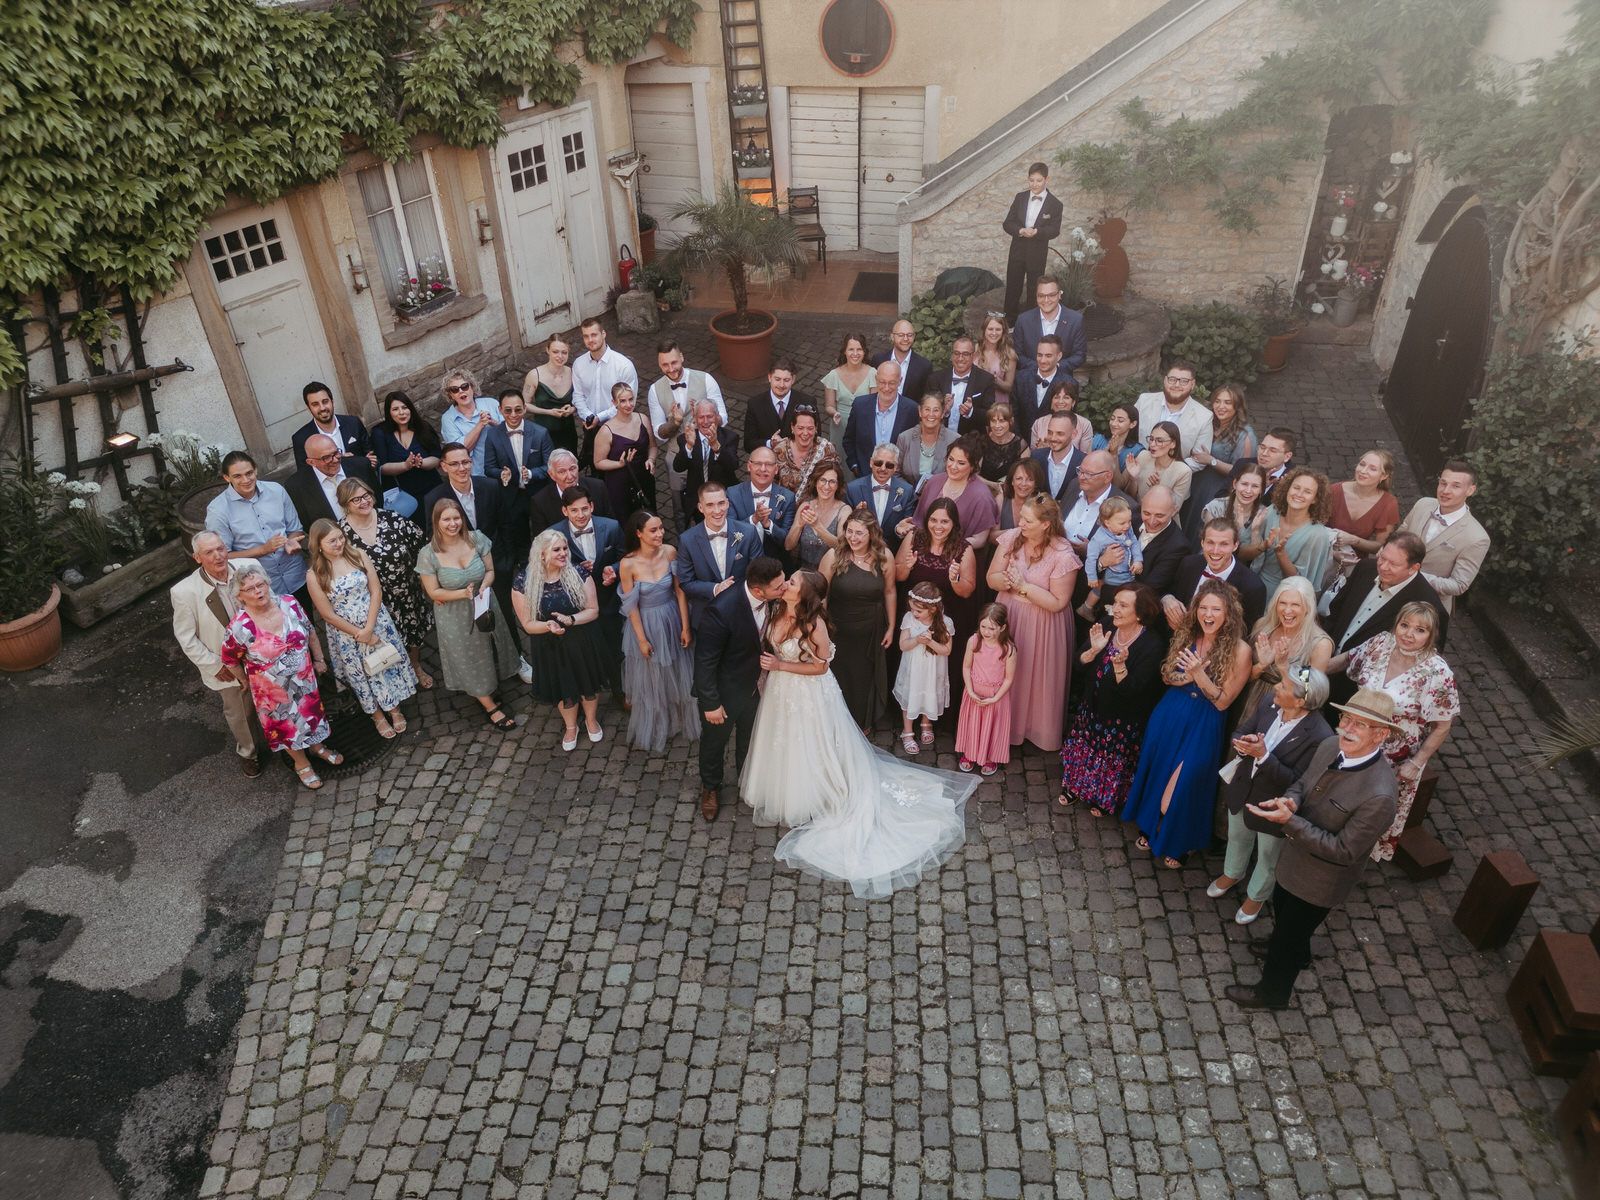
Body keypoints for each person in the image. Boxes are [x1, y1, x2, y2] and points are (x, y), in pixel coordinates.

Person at [739, 571, 976, 899]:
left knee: (812, 743)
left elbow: (821, 667)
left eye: (792, 583)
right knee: (781, 741)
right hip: (782, 694)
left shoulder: (814, 625)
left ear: (805, 595)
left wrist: (780, 667)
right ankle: (783, 786)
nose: (786, 585)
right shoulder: (777, 609)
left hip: (808, 693)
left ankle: (816, 790)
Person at [1225, 689, 1400, 1012]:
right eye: (1347, 718)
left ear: (1381, 734)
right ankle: (1298, 950)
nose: (1347, 727)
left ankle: (1272, 994)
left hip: (1319, 882)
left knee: (1289, 936)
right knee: (1285, 914)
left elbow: (1344, 850)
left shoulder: (1380, 796)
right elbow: (1302, 784)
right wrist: (1292, 799)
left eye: (1360, 724)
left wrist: (1290, 821)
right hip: (1291, 862)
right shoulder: (1330, 746)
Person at [1122, 580, 1253, 868]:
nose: (1208, 614)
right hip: (1170, 712)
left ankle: (1182, 840)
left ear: (1228, 614)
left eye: (1215, 609)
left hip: (1204, 722)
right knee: (1159, 771)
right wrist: (1188, 677)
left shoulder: (1240, 650)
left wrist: (1199, 675)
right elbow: (1168, 675)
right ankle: (1151, 824)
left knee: (1185, 781)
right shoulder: (1188, 633)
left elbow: (1222, 702)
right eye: (1203, 608)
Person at [1331, 602, 1459, 861]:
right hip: (1353, 736)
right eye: (1405, 625)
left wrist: (1416, 762)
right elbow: (1347, 660)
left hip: (1395, 755)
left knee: (1371, 808)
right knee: (1338, 795)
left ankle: (1353, 856)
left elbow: (1443, 726)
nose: (1409, 634)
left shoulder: (1438, 672)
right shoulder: (1380, 643)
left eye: (1420, 630)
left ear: (1431, 634)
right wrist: (1306, 673)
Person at [1208, 666, 1335, 925]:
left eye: (1284, 686)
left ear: (1301, 701)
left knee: (1268, 854)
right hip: (1243, 788)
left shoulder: (1321, 736)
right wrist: (1243, 743)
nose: (1276, 687)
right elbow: (1240, 730)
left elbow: (1298, 781)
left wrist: (1263, 757)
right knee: (1237, 836)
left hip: (1273, 804)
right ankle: (1233, 873)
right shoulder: (1268, 702)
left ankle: (1257, 895)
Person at [220, 562, 340, 790]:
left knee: (311, 715)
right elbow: (229, 659)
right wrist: (245, 681)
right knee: (287, 727)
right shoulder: (239, 628)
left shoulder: (289, 603)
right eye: (251, 589)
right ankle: (301, 763)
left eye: (261, 584)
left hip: (304, 681)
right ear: (240, 596)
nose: (259, 591)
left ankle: (317, 746)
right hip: (272, 693)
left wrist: (319, 659)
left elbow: (310, 630)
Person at [1058, 583, 1167, 816]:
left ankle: (1103, 797)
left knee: (1110, 759)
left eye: (1123, 605)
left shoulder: (1152, 645)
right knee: (1085, 748)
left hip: (1121, 720)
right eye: (1115, 603)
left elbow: (1133, 690)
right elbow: (1078, 663)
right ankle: (1077, 786)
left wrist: (1119, 667)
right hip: (1092, 708)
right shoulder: (1107, 626)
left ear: (1140, 614)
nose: (1115, 609)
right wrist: (1093, 652)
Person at [694, 556, 789, 821]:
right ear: (759, 591)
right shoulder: (720, 611)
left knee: (751, 738)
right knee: (714, 742)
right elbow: (704, 663)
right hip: (725, 691)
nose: (784, 588)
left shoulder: (772, 600)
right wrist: (711, 703)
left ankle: (747, 782)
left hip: (757, 687)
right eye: (778, 587)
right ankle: (711, 787)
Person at [304, 518, 417, 738]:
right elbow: (326, 614)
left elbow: (376, 590)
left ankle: (394, 708)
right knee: (363, 672)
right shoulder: (314, 575)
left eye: (340, 538)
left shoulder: (357, 555)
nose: (338, 544)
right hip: (347, 633)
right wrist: (360, 633)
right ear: (318, 545)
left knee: (384, 664)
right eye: (332, 541)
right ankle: (376, 715)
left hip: (376, 620)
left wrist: (370, 626)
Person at [415, 498, 519, 729]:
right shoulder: (428, 554)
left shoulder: (477, 538)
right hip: (454, 613)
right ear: (436, 521)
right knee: (468, 655)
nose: (452, 523)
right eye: (446, 519)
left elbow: (490, 570)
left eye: (456, 518)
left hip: (483, 604)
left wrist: (484, 586)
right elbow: (433, 592)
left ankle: (491, 684)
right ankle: (489, 705)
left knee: (489, 648)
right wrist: (463, 593)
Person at [987, 495, 1079, 751]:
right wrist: (1005, 582)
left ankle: (1036, 729)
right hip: (1010, 615)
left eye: (1028, 520)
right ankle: (1006, 725)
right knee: (1007, 671)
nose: (1020, 523)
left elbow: (1058, 601)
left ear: (1046, 524)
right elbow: (991, 577)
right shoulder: (1012, 538)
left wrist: (1023, 587)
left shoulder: (1063, 554)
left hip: (1044, 623)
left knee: (1036, 674)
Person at [170, 531, 264, 776]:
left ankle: (287, 741)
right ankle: (249, 752)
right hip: (226, 664)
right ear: (197, 558)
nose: (218, 556)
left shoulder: (249, 566)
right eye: (209, 552)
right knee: (241, 712)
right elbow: (186, 638)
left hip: (263, 652)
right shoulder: (184, 592)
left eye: (220, 548)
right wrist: (215, 666)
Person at [512, 529, 609, 751]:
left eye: (565, 548)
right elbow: (527, 623)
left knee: (588, 684)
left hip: (581, 639)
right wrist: (548, 626)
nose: (564, 553)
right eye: (557, 549)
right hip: (549, 645)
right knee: (562, 687)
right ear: (542, 554)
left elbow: (593, 610)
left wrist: (571, 619)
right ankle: (571, 726)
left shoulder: (578, 573)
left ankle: (591, 720)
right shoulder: (523, 582)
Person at [337, 478, 434, 690]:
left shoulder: (392, 519)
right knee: (385, 639)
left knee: (413, 630)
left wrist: (426, 579)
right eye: (356, 500)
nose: (364, 502)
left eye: (366, 496)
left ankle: (416, 665)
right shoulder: (341, 534)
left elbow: (421, 545)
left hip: (407, 589)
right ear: (346, 504)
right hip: (373, 599)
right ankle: (397, 675)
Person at [618, 511, 698, 753]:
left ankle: (681, 718)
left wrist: (685, 626)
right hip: (646, 622)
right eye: (653, 530)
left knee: (679, 667)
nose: (660, 534)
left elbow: (680, 591)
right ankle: (659, 722)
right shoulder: (628, 564)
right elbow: (631, 607)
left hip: (672, 617)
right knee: (652, 674)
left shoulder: (670, 552)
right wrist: (641, 640)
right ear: (638, 534)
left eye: (661, 528)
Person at [894, 497, 980, 712]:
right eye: (933, 520)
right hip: (913, 616)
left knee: (936, 669)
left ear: (954, 524)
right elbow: (897, 575)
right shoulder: (914, 538)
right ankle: (907, 711)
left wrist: (954, 580)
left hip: (944, 619)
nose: (938, 526)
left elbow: (968, 591)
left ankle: (931, 715)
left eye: (945, 522)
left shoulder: (963, 549)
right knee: (911, 664)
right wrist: (907, 566)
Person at [818, 508, 896, 731]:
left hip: (871, 629)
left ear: (872, 533)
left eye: (859, 533)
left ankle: (862, 724)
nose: (853, 537)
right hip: (838, 629)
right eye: (849, 531)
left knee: (864, 678)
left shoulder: (885, 557)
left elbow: (890, 591)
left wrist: (890, 627)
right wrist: (821, 629)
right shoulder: (834, 555)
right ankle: (837, 724)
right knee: (840, 677)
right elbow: (821, 594)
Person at [1323, 531, 1449, 666]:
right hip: (1324, 655)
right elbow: (1336, 610)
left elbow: (1422, 660)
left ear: (1414, 568)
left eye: (1393, 564)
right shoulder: (1365, 568)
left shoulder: (1430, 606)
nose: (1382, 567)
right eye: (1382, 558)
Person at [550, 486, 625, 704]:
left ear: (592, 506)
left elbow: (625, 556)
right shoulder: (553, 534)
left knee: (615, 647)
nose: (580, 515)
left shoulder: (610, 527)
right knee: (584, 654)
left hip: (609, 600)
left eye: (585, 509)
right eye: (574, 510)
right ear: (565, 511)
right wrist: (572, 570)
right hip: (576, 607)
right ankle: (588, 697)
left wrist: (614, 569)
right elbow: (548, 568)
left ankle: (620, 691)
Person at [206, 451, 307, 604]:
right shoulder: (218, 510)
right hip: (257, 586)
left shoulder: (276, 490)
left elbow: (295, 529)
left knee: (307, 622)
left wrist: (291, 541)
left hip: (294, 573)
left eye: (249, 473)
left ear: (256, 470)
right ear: (227, 478)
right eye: (237, 476)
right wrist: (263, 550)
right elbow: (222, 556)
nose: (246, 480)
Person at [647, 339, 727, 524]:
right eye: (665, 365)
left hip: (708, 451)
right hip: (678, 455)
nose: (671, 368)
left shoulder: (705, 379)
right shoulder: (655, 390)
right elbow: (659, 432)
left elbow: (723, 416)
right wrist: (675, 423)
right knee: (680, 509)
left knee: (714, 501)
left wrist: (706, 418)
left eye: (674, 362)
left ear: (682, 357)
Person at [1398, 459, 1490, 614]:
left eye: (1456, 486)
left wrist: (1412, 575)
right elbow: (1400, 534)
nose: (1445, 490)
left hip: (1427, 606)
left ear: (1470, 490)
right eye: (1443, 483)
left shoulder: (1477, 537)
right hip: (1391, 589)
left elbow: (1458, 585)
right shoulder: (1423, 504)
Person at [1239, 576, 1333, 718]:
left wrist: (1284, 667)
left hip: (1284, 712)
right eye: (1282, 603)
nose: (1287, 611)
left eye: (1295, 605)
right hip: (1246, 702)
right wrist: (1261, 666)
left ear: (1308, 607)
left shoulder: (1319, 644)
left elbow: (1307, 694)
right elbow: (1241, 677)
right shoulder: (1263, 627)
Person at [482, 387, 555, 569]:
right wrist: (501, 474)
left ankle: (548, 562)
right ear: (500, 410)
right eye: (508, 410)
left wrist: (531, 473)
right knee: (519, 532)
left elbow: (551, 466)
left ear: (524, 408)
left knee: (545, 531)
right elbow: (489, 467)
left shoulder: (540, 433)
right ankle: (526, 565)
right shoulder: (493, 434)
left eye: (518, 409)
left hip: (538, 493)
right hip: (512, 494)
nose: (513, 414)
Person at [1163, 516, 1268, 634]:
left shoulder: (1253, 586)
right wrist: (1167, 599)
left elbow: (1246, 634)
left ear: (1235, 545)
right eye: (1210, 542)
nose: (1215, 550)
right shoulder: (1188, 564)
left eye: (1224, 544)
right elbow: (1167, 590)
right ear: (1202, 543)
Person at [422, 443, 509, 582]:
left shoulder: (491, 486)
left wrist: (507, 561)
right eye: (454, 464)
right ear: (444, 467)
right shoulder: (434, 498)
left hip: (498, 565)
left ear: (471, 462)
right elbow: (434, 536)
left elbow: (506, 524)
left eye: (465, 462)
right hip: (461, 572)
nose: (462, 468)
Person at [678, 482, 761, 628]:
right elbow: (686, 583)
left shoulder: (748, 533)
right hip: (706, 616)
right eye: (710, 505)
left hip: (743, 613)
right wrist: (715, 589)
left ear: (728, 503)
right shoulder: (687, 540)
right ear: (700, 508)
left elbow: (759, 574)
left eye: (721, 503)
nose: (717, 510)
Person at [1182, 382, 1257, 541]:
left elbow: (1243, 472)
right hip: (1196, 483)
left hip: (1217, 490)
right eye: (1217, 401)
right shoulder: (1209, 422)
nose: (1221, 406)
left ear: (1237, 406)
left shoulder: (1245, 435)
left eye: (1228, 402)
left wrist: (1211, 461)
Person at [956, 603, 1018, 776]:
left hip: (995, 697)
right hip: (974, 693)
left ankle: (990, 756)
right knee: (972, 725)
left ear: (1002, 627)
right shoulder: (974, 641)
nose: (986, 632)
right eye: (983, 626)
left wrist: (996, 698)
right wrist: (969, 689)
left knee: (993, 728)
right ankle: (969, 753)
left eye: (991, 628)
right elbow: (966, 667)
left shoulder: (1009, 649)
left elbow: (1008, 678)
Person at [1252, 466, 1334, 594]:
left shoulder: (1317, 535)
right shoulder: (1273, 511)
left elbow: (1301, 582)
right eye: (1296, 488)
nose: (1299, 494)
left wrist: (1281, 553)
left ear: (1315, 499)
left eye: (1307, 492)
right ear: (1288, 489)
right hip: (1255, 584)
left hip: (1284, 596)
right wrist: (1255, 532)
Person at [895, 581, 955, 753]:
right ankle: (907, 731)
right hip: (913, 669)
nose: (914, 613)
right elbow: (902, 645)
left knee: (929, 692)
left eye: (919, 611)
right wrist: (916, 640)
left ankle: (926, 722)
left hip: (933, 670)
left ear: (933, 609)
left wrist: (930, 642)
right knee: (911, 694)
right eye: (912, 608)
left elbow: (946, 650)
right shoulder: (909, 619)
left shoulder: (945, 623)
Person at [570, 318, 639, 466]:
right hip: (590, 428)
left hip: (618, 428)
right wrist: (588, 416)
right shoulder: (578, 364)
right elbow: (578, 395)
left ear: (604, 334)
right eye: (586, 336)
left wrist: (599, 418)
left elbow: (627, 402)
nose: (590, 340)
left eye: (594, 335)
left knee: (620, 469)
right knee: (595, 469)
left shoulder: (623, 366)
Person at [1002, 165, 1066, 324]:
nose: (1035, 184)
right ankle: (1009, 319)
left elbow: (1054, 230)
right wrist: (1021, 230)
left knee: (1034, 288)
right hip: (1017, 249)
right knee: (1013, 285)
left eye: (1039, 180)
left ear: (1047, 180)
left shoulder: (1055, 204)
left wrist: (1038, 232)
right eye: (1031, 180)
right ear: (1028, 179)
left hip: (1037, 251)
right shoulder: (1020, 197)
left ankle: (1030, 321)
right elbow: (1007, 223)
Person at [911, 439, 999, 551]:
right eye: (951, 459)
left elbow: (979, 540)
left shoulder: (982, 496)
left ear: (973, 466)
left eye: (961, 463)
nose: (953, 466)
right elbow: (918, 521)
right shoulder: (934, 481)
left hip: (958, 558)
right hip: (923, 550)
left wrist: (942, 546)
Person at [370, 390, 443, 522]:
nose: (402, 412)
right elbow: (381, 467)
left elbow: (437, 457)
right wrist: (405, 465)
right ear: (389, 412)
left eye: (404, 407)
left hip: (431, 488)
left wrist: (421, 463)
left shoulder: (423, 427)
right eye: (396, 409)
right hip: (402, 495)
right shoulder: (379, 433)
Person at [1135, 362, 1211, 483]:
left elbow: (1199, 459)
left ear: (1192, 384)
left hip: (1170, 482)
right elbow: (1129, 432)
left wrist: (1168, 472)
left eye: (1184, 381)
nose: (1176, 385)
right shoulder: (1144, 401)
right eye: (1172, 379)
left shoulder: (1204, 416)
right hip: (1135, 469)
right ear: (1165, 380)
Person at [285, 433, 382, 529]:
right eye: (326, 458)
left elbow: (377, 499)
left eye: (336, 453)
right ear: (311, 462)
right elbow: (308, 524)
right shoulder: (296, 486)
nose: (335, 460)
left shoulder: (360, 465)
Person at [592, 381, 657, 518]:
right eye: (623, 401)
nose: (628, 405)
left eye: (631, 399)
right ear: (614, 402)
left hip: (643, 478)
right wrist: (619, 464)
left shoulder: (643, 419)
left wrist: (651, 459)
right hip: (619, 482)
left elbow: (652, 446)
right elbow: (598, 462)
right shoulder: (606, 431)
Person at [844, 362, 918, 477]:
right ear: (876, 379)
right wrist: (854, 466)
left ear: (900, 381)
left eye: (892, 383)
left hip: (896, 478)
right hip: (864, 475)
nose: (886, 388)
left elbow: (914, 446)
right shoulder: (860, 405)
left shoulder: (911, 410)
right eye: (882, 382)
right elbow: (849, 440)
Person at [671, 398, 739, 520]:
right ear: (695, 418)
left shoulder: (730, 437)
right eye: (701, 417)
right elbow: (678, 467)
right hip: (698, 499)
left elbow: (733, 465)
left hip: (724, 498)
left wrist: (716, 447)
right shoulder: (685, 438)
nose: (706, 421)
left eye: (710, 416)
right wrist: (689, 446)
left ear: (717, 417)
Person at [1327, 448, 1400, 563]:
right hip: (1323, 554)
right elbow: (1314, 527)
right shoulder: (1334, 491)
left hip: (1355, 563)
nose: (1363, 471)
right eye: (1362, 464)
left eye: (1373, 468)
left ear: (1384, 476)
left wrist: (1353, 540)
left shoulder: (1388, 504)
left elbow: (1380, 546)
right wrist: (1331, 553)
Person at [1059, 450, 1130, 564]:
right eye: (1080, 471)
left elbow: (1123, 555)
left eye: (1089, 474)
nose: (1081, 477)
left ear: (1107, 477)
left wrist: (1092, 550)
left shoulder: (1124, 507)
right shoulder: (1074, 486)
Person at [1080, 495, 1142, 621]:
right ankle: (1088, 608)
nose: (1127, 525)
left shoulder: (1128, 530)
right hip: (1113, 577)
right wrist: (1092, 577)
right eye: (1122, 523)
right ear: (1107, 522)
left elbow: (1135, 543)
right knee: (1107, 594)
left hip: (1129, 574)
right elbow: (1091, 559)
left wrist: (1138, 560)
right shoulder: (1099, 539)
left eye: (1129, 521)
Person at [729, 446, 796, 562]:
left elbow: (786, 541)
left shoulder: (788, 497)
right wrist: (754, 519)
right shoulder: (732, 493)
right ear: (749, 466)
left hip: (775, 564)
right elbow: (729, 533)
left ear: (776, 469)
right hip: (740, 563)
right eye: (758, 463)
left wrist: (768, 524)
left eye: (768, 464)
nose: (763, 469)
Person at [290, 380, 375, 470]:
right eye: (315, 404)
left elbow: (370, 457)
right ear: (309, 408)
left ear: (332, 401)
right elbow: (306, 474)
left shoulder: (353, 423)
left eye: (325, 401)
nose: (322, 408)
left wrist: (370, 464)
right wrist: (343, 460)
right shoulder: (301, 439)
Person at [844, 445, 916, 551]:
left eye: (889, 465)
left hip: (891, 552)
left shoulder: (907, 491)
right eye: (878, 463)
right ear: (871, 462)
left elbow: (906, 525)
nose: (883, 468)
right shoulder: (852, 489)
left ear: (895, 467)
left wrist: (898, 530)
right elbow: (844, 526)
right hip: (859, 551)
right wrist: (855, 515)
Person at [1012, 277, 1087, 377]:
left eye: (1051, 295)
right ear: (1036, 296)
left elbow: (1080, 355)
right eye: (1041, 296)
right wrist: (1039, 368)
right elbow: (1017, 354)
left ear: (1059, 295)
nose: (1046, 300)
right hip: (1030, 380)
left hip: (1061, 384)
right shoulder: (1023, 320)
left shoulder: (1075, 320)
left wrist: (1056, 367)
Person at [927, 335, 998, 436]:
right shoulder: (935, 379)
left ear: (973, 356)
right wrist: (943, 409)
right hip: (939, 439)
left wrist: (971, 412)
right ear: (951, 355)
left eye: (965, 354)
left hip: (971, 441)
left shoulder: (986, 380)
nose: (960, 358)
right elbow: (925, 411)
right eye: (956, 353)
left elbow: (989, 415)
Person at [522, 333, 580, 457]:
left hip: (568, 432)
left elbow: (580, 398)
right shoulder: (534, 375)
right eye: (555, 352)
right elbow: (524, 405)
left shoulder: (572, 373)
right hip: (544, 432)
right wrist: (548, 412)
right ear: (547, 350)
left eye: (564, 352)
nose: (560, 356)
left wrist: (573, 409)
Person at [529, 449, 612, 535]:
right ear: (551, 475)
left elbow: (611, 525)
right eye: (562, 471)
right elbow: (542, 541)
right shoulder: (540, 501)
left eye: (572, 469)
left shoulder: (598, 487)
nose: (570, 476)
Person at [785, 461, 850, 571]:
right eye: (822, 480)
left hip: (832, 574)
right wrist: (799, 526)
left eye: (832, 482)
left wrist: (817, 526)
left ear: (838, 485)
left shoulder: (844, 510)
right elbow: (788, 546)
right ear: (815, 482)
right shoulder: (805, 506)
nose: (826, 486)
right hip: (803, 574)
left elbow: (843, 547)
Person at [437, 368, 501, 474]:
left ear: (472, 387)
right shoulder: (448, 419)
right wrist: (479, 425)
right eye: (455, 389)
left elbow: (511, 432)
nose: (461, 391)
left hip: (504, 465)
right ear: (450, 395)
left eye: (464, 386)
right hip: (478, 474)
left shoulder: (491, 403)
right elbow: (459, 453)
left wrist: (493, 423)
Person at [1201, 461, 1270, 556]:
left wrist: (1255, 531)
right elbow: (1211, 546)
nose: (1248, 490)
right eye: (1244, 484)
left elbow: (1256, 558)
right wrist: (1237, 528)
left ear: (1261, 490)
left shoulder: (1264, 513)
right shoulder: (1215, 507)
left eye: (1255, 486)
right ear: (1235, 484)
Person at [743, 357, 811, 452]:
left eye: (786, 380)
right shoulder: (755, 404)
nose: (781, 385)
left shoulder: (807, 402)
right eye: (777, 379)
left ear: (793, 379)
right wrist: (770, 443)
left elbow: (815, 438)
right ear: (769, 377)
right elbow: (749, 444)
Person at [820, 333, 875, 452]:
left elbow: (874, 404)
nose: (855, 354)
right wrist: (834, 413)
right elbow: (829, 406)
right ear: (844, 351)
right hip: (840, 426)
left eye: (859, 349)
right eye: (851, 349)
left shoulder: (873, 374)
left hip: (864, 425)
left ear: (864, 351)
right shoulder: (833, 375)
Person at [772, 406, 842, 499]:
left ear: (816, 428)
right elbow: (771, 483)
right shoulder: (779, 450)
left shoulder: (826, 449)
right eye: (800, 428)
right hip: (783, 508)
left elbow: (836, 481)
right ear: (792, 427)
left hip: (815, 509)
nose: (805, 433)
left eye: (810, 428)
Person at [1120, 420, 1191, 509]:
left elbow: (1174, 509)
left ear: (1173, 444)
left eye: (1159, 441)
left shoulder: (1183, 471)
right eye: (1151, 439)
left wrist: (1157, 490)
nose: (1152, 444)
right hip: (1134, 514)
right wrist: (1133, 479)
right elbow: (1128, 497)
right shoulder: (1143, 456)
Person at [897, 393, 959, 490]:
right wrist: (910, 493)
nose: (931, 414)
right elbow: (895, 473)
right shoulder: (904, 438)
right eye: (927, 409)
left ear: (942, 413)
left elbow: (959, 475)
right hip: (909, 499)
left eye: (936, 410)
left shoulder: (955, 440)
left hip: (942, 498)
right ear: (920, 412)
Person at [1011, 335, 1070, 433]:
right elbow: (1013, 412)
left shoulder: (1069, 383)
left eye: (1048, 356)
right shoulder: (1021, 378)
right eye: (1039, 355)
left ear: (1059, 356)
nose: (1042, 360)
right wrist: (1020, 441)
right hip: (1022, 442)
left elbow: (1068, 421)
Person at [870, 319, 932, 401]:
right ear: (892, 336)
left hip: (911, 413)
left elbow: (925, 399)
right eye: (901, 335)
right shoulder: (879, 360)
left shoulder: (924, 366)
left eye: (909, 335)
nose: (905, 339)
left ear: (914, 336)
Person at [1031, 411, 1086, 505]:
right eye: (1050, 432)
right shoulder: (1036, 457)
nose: (1053, 438)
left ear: (1074, 434)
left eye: (1060, 434)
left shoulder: (1084, 462)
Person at [1027, 378, 1093, 452]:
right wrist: (1041, 450)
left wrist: (1050, 449)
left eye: (1066, 398)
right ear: (1051, 402)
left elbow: (1085, 455)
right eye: (1056, 397)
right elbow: (1033, 453)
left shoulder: (1084, 425)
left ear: (1073, 403)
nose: (1060, 401)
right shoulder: (1039, 423)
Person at [977, 403, 1028, 488]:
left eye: (1001, 421)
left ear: (1010, 421)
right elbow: (973, 474)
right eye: (993, 421)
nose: (997, 426)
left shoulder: (1021, 445)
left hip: (1010, 492)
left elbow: (1023, 477)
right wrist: (994, 485)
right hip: (982, 490)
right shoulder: (982, 442)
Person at [976, 314, 1018, 409]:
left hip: (998, 404)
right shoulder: (975, 351)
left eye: (998, 329)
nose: (994, 333)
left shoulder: (1010, 354)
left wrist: (995, 380)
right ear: (984, 330)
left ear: (1003, 331)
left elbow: (1009, 387)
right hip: (976, 402)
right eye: (990, 329)